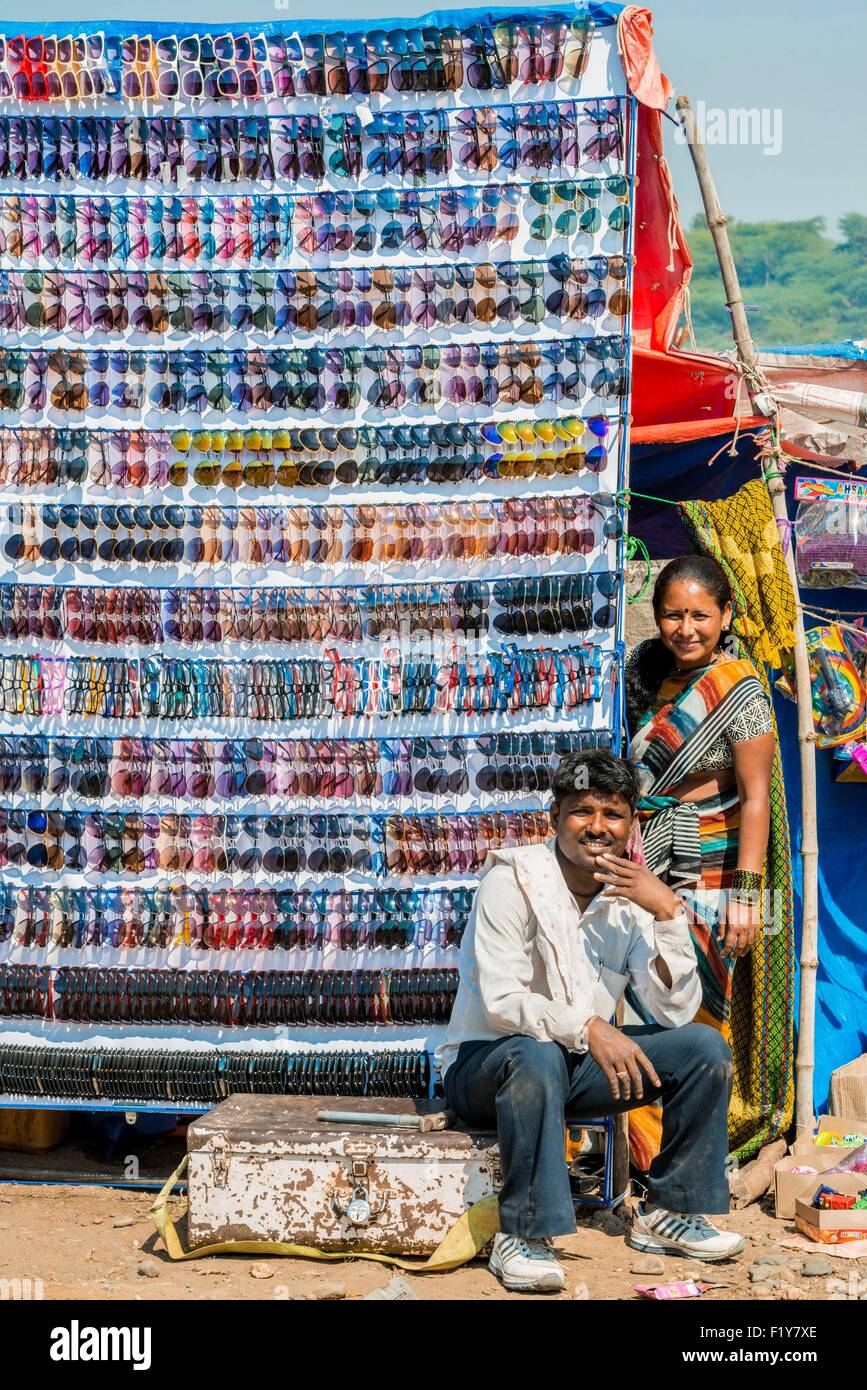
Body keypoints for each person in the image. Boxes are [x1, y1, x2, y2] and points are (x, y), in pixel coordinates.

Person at [437, 748, 744, 1295]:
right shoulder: (512, 880)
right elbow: (503, 1003)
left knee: (703, 1048)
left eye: (613, 814)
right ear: (555, 818)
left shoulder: (628, 900)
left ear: (632, 826)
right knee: (536, 1051)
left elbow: (673, 1010)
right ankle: (523, 1234)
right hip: (488, 1069)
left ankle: (671, 1213)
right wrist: (593, 1028)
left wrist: (670, 913)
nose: (597, 827)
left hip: (575, 1071)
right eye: (582, 811)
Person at [625, 555, 774, 1028]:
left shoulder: (740, 690)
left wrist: (747, 899)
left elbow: (756, 799)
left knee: (694, 991)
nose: (685, 629)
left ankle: (695, 1096)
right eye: (673, 615)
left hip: (715, 867)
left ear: (725, 615)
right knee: (640, 981)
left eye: (700, 616)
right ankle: (639, 1102)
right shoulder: (642, 677)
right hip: (646, 856)